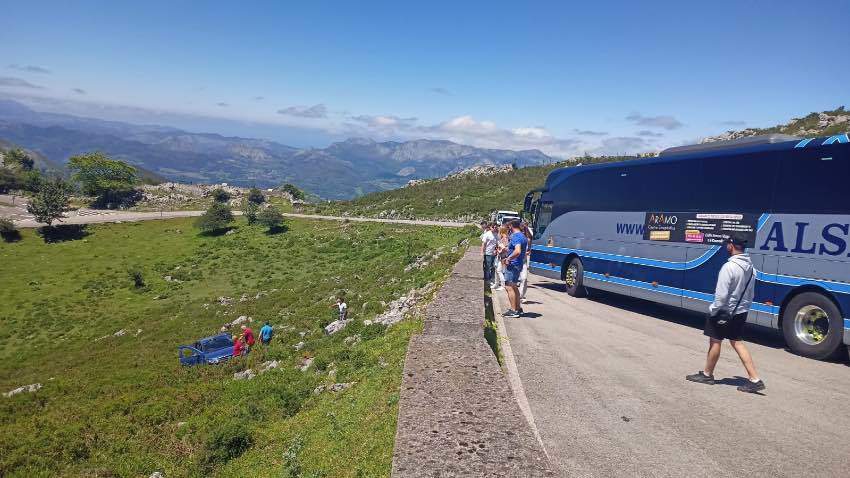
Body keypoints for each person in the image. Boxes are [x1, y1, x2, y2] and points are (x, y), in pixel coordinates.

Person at [687, 234, 765, 393]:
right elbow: (750, 294)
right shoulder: (751, 269)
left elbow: (721, 296)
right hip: (740, 311)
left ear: (732, 245)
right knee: (737, 341)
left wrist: (713, 311)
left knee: (715, 341)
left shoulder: (729, 267)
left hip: (724, 312)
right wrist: (742, 309)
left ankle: (707, 375)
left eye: (727, 243)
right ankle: (755, 379)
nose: (726, 246)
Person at [501, 220, 528, 318]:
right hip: (518, 263)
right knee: (514, 287)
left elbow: (517, 251)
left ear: (511, 226)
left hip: (513, 264)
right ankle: (518, 308)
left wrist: (508, 258)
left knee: (509, 287)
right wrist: (507, 249)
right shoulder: (522, 236)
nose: (508, 228)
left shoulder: (516, 236)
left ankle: (513, 311)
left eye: (508, 227)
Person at [517, 221, 534, 303]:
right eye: (521, 230)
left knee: (524, 278)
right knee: (513, 281)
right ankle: (516, 296)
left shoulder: (528, 239)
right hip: (516, 261)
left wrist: (528, 252)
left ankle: (521, 296)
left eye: (524, 230)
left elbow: (529, 249)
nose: (522, 232)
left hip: (523, 261)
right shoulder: (517, 238)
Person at [480, 222, 498, 286]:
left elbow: (497, 244)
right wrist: (482, 252)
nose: (494, 228)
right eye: (493, 227)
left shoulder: (496, 234)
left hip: (494, 253)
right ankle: (487, 279)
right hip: (487, 253)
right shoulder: (487, 234)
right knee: (487, 266)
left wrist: (496, 250)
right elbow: (483, 244)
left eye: (496, 227)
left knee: (493, 266)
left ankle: (492, 279)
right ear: (490, 227)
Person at [493, 225, 510, 291]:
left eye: (500, 229)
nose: (498, 230)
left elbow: (505, 248)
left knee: (499, 271)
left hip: (503, 257)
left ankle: (503, 285)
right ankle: (497, 284)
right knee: (497, 270)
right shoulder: (503, 237)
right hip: (500, 256)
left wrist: (499, 251)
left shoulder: (504, 238)